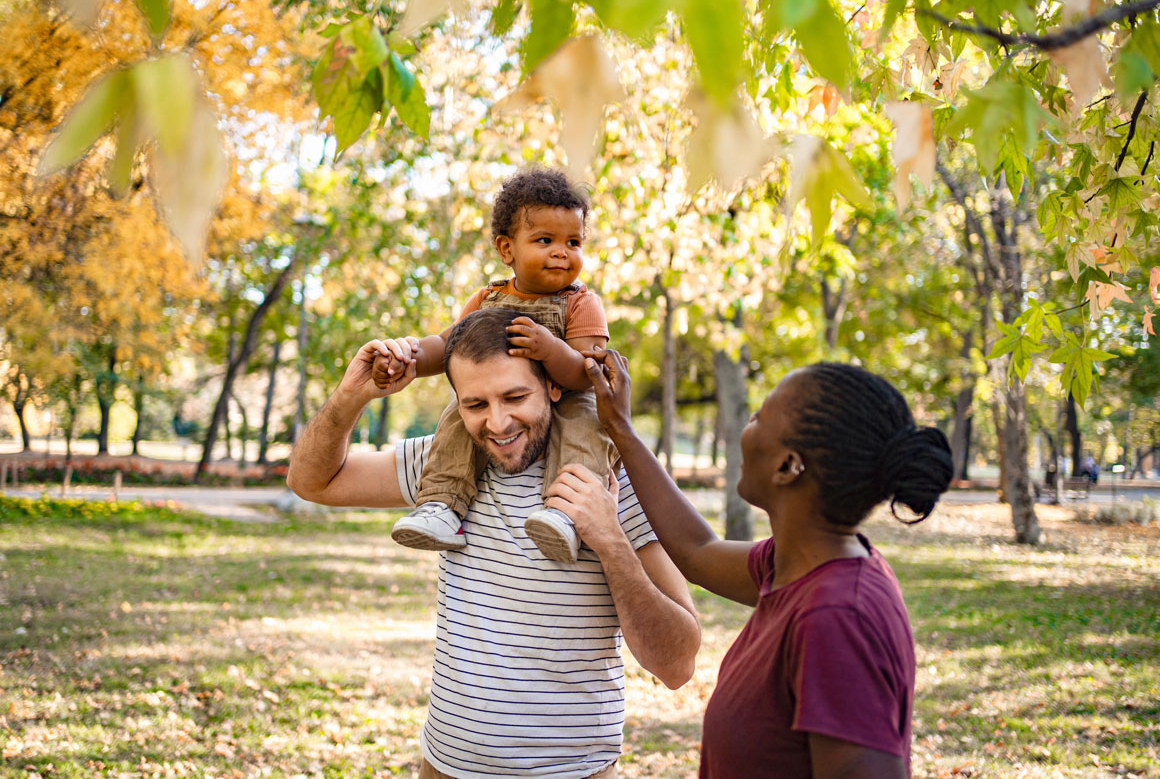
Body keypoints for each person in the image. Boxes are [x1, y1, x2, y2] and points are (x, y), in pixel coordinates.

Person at [287, 308, 700, 779]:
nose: (498, 423)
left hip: (573, 771)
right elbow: (312, 482)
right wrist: (350, 396)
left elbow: (678, 664)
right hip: (445, 766)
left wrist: (609, 540)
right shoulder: (449, 463)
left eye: (514, 396)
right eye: (475, 404)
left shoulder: (613, 476)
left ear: (553, 385)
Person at [582, 350, 953, 779]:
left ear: (787, 465)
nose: (745, 428)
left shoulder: (838, 618)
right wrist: (620, 429)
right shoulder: (800, 564)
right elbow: (697, 551)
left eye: (758, 417)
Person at [375, 167, 614, 563]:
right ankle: (443, 505)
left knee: (586, 427)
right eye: (545, 240)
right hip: (499, 399)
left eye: (574, 242)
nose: (562, 252)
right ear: (507, 250)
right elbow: (446, 345)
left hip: (567, 398)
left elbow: (585, 374)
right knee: (459, 414)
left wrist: (550, 348)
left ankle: (567, 515)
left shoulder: (581, 303)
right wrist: (410, 359)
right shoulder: (486, 299)